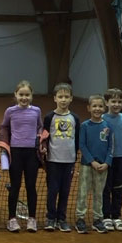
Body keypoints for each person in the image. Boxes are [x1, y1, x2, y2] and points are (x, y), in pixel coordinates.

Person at [0, 80, 43, 233]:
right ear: (16, 95)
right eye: (21, 94)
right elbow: (4, 126)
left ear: (31, 95)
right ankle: (12, 219)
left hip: (32, 154)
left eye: (27, 95)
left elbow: (40, 126)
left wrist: (40, 139)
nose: (24, 98)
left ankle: (32, 219)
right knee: (15, 186)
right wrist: (4, 144)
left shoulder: (36, 111)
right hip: (15, 153)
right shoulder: (10, 111)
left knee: (31, 186)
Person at [41, 82, 80, 233]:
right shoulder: (49, 117)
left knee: (65, 191)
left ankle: (61, 219)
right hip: (53, 161)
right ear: (55, 98)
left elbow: (77, 139)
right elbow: (44, 137)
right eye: (60, 97)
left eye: (66, 97)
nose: (63, 100)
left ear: (71, 98)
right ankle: (51, 218)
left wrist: (74, 156)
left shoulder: (75, 118)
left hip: (69, 161)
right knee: (53, 190)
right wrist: (44, 150)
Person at [75, 95, 113, 234]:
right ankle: (80, 218)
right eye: (94, 106)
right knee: (83, 192)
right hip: (87, 165)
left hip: (102, 167)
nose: (97, 109)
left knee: (99, 193)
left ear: (104, 108)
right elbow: (82, 145)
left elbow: (111, 147)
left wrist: (107, 163)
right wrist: (92, 161)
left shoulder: (108, 126)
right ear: (89, 108)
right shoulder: (85, 126)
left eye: (100, 106)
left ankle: (98, 219)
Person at [102, 88, 122, 232]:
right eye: (113, 101)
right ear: (106, 102)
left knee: (119, 188)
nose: (116, 104)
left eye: (119, 102)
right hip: (107, 159)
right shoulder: (102, 118)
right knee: (106, 188)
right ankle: (106, 216)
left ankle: (116, 216)